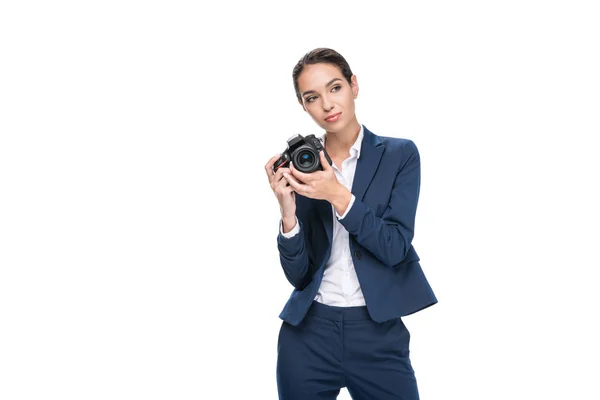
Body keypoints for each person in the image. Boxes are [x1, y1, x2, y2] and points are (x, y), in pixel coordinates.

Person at [264, 48, 438, 400]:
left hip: (377, 333)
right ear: (303, 106)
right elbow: (299, 277)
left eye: (335, 88)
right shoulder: (305, 167)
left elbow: (394, 246)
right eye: (312, 97)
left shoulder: (400, 154)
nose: (327, 105)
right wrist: (287, 212)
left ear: (354, 85)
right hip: (308, 335)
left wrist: (338, 195)